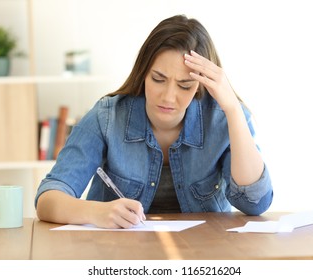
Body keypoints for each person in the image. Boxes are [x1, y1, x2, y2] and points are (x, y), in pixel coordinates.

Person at [35, 14, 273, 229]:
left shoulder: (222, 119)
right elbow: (48, 199)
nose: (169, 97)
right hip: (119, 257)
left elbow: (255, 202)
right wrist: (96, 212)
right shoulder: (107, 117)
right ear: (143, 73)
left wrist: (232, 109)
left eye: (184, 85)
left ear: (200, 85)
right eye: (158, 79)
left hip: (203, 256)